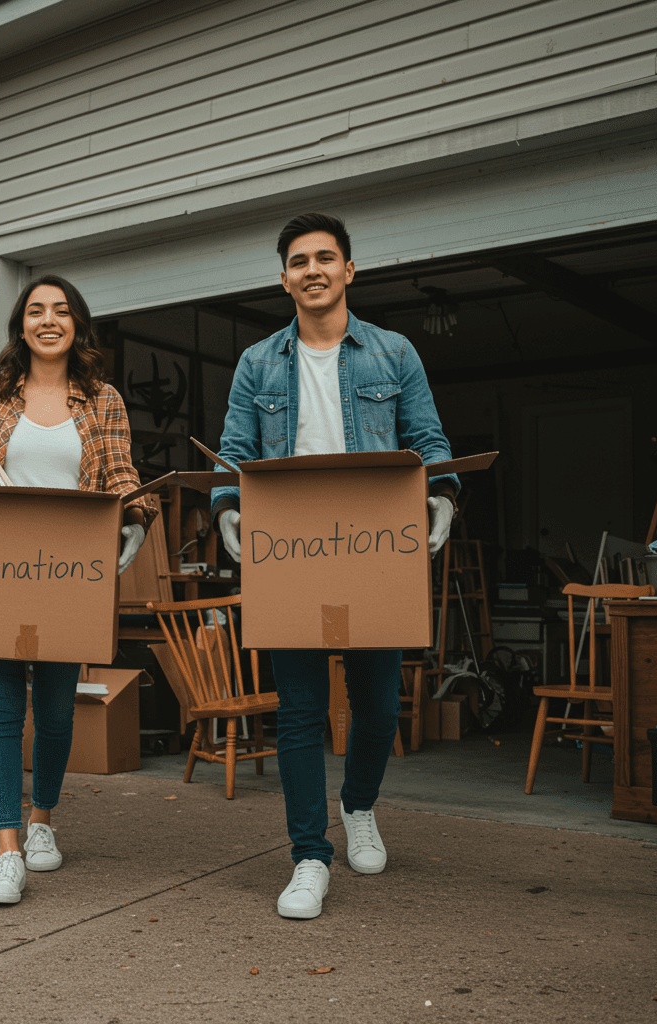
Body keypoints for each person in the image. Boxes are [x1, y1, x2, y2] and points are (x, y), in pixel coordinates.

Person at [211, 213, 459, 920]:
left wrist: (442, 497)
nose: (312, 270)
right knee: (299, 711)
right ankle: (308, 856)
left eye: (326, 258)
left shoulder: (393, 352)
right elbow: (234, 449)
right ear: (283, 278)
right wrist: (229, 508)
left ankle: (359, 806)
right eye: (298, 260)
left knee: (379, 707)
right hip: (290, 548)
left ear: (349, 270)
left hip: (373, 544)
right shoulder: (258, 362)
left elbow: (429, 439)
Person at [0, 274, 156, 905]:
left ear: (77, 323)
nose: (47, 320)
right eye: (34, 311)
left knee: (55, 711)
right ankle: (5, 849)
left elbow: (122, 473)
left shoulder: (101, 400)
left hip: (66, 575)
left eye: (59, 311)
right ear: (19, 325)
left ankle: (42, 820)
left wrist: (136, 517)